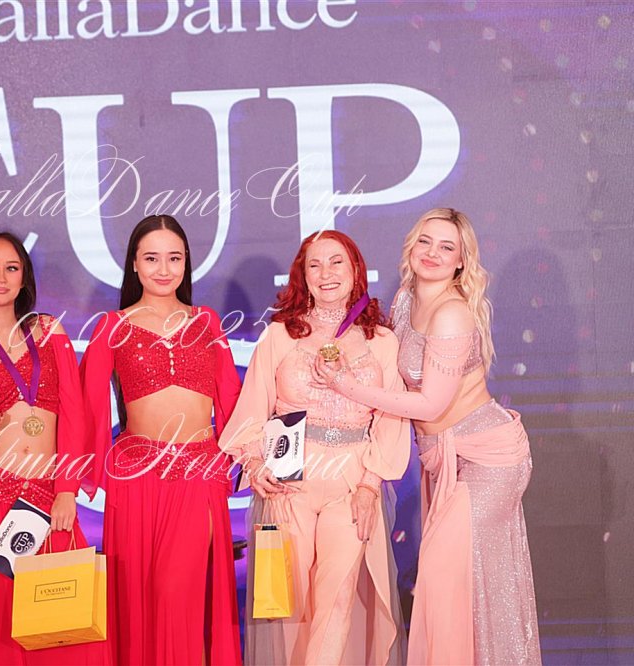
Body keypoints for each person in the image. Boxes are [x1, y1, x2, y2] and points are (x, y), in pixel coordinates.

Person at [314, 208, 542, 665]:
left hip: (488, 459)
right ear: (411, 246)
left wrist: (345, 385)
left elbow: (431, 405)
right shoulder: (405, 299)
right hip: (441, 459)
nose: (433, 253)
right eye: (425, 241)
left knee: (440, 575)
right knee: (464, 590)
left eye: (446, 247)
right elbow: (390, 371)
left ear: (461, 261)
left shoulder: (452, 314)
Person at [219, 230, 409, 665]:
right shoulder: (280, 335)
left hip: (352, 481)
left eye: (336, 262)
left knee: (337, 598)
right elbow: (252, 410)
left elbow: (392, 416)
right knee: (290, 605)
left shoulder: (382, 341)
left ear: (355, 269)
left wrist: (370, 485)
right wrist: (254, 463)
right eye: (315, 265)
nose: (326, 274)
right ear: (302, 275)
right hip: (291, 481)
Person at [79, 215, 243, 665]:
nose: (164, 269)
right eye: (152, 258)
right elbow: (87, 404)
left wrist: (250, 457)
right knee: (141, 604)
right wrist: (72, 481)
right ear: (134, 264)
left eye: (174, 258)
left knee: (179, 594)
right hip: (137, 477)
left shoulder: (207, 321)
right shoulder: (112, 326)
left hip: (198, 473)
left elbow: (231, 396)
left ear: (187, 262)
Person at [0, 231, 106, 666]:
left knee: (62, 629)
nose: (1, 277)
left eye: (11, 268)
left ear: (24, 278)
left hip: (46, 497)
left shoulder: (49, 332)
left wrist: (66, 488)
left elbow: (74, 412)